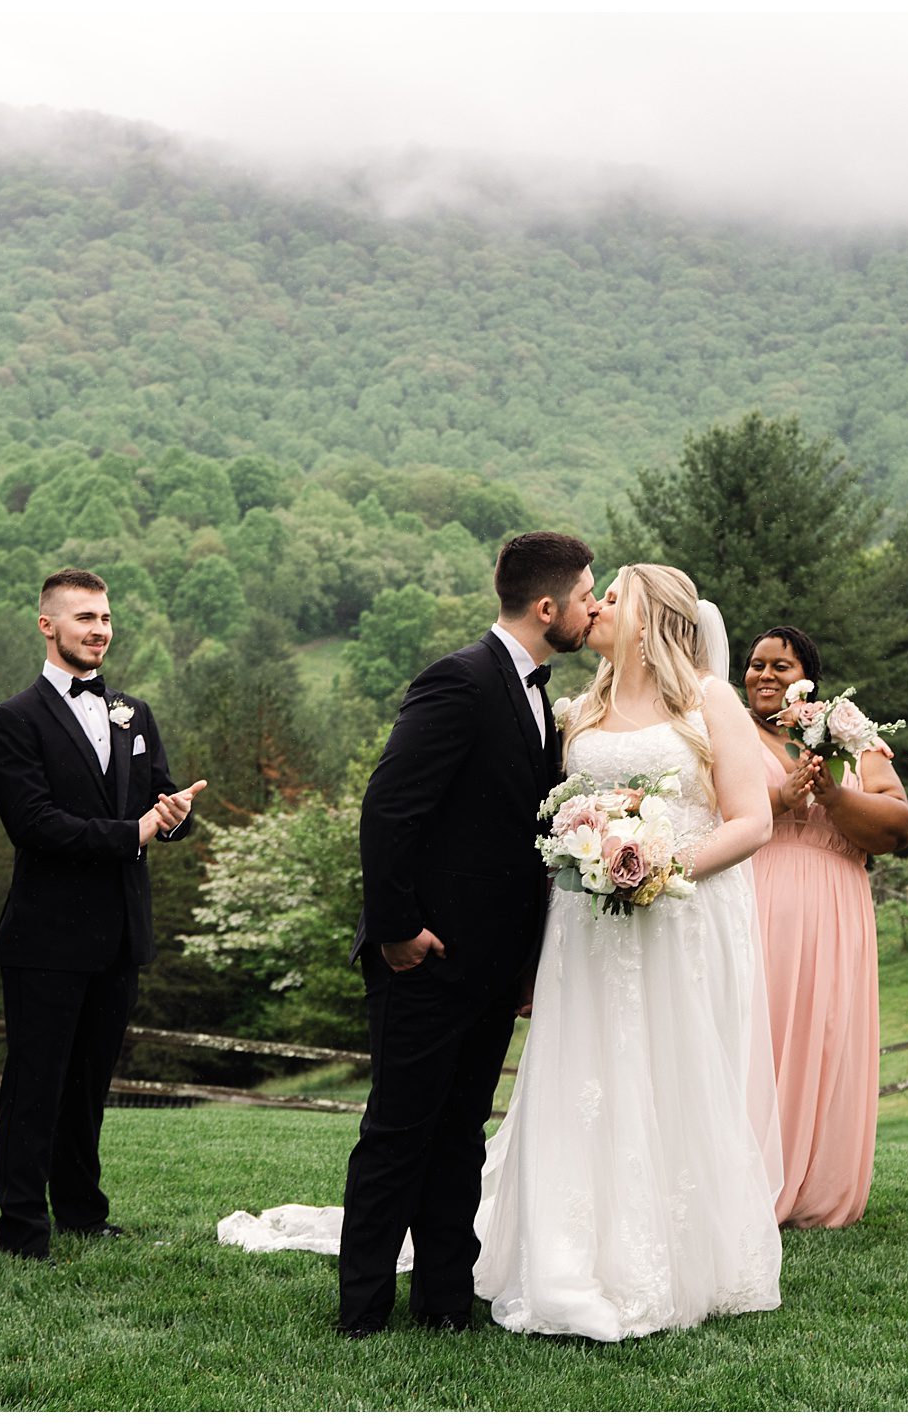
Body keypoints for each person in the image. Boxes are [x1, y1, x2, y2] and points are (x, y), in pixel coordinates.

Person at [472, 563, 782, 1341]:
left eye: (614, 596)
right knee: (584, 1072)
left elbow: (751, 822)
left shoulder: (710, 702)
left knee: (666, 1070)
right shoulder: (581, 707)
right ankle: (565, 1252)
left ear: (650, 619)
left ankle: (671, 1255)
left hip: (674, 922)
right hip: (585, 931)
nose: (597, 606)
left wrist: (661, 870)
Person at [337, 531, 600, 1338]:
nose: (594, 609)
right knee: (397, 1132)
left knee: (460, 1134)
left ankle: (446, 1299)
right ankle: (363, 1307)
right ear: (547, 606)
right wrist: (396, 931)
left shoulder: (534, 694)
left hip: (491, 965)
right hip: (425, 957)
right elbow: (390, 807)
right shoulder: (458, 678)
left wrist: (525, 963)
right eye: (588, 595)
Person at [0, 569, 204, 1263]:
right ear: (47, 625)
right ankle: (22, 1227)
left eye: (105, 618)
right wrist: (131, 833)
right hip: (46, 938)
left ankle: (82, 1210)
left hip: (119, 934)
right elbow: (35, 825)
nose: (99, 630)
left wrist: (173, 818)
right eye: (84, 618)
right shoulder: (13, 719)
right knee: (35, 1086)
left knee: (87, 1088)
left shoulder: (133, 713)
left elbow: (160, 799)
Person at [743, 627, 908, 1228]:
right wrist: (784, 796)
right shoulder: (727, 733)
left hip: (836, 902)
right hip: (755, 898)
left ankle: (818, 1186)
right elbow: (705, 815)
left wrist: (833, 794)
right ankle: (743, 1177)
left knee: (825, 1030)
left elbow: (897, 827)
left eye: (780, 666)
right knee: (757, 1035)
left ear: (807, 674)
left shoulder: (849, 731)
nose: (765, 675)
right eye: (756, 664)